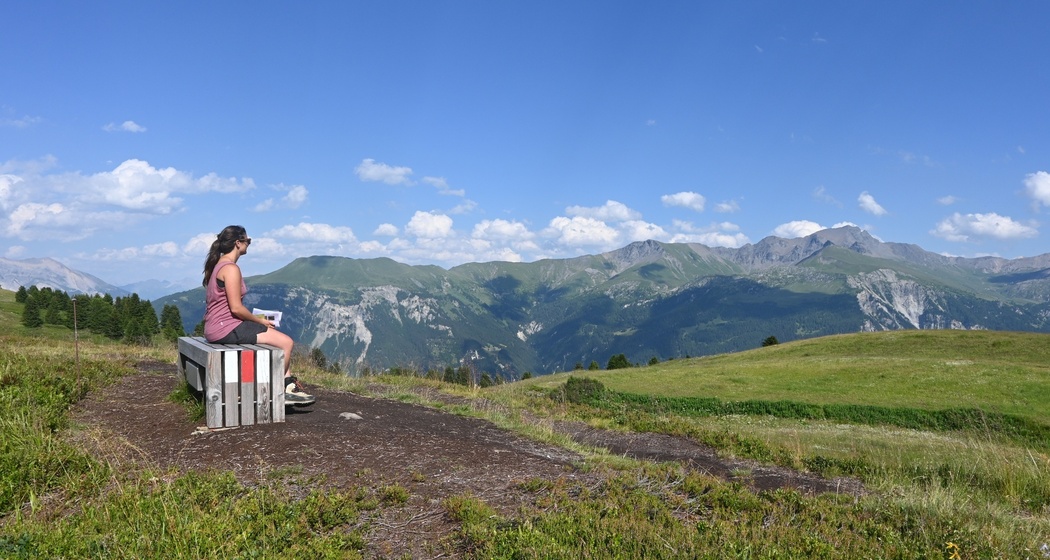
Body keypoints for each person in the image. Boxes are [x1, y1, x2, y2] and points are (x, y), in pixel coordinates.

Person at [202, 225, 315, 405]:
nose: (249, 244)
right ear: (238, 243)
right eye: (248, 241)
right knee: (286, 342)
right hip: (226, 328)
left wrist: (259, 322)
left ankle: (288, 385)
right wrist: (258, 320)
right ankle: (276, 391)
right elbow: (236, 308)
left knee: (274, 335)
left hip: (218, 327)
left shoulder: (219, 265)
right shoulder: (230, 269)